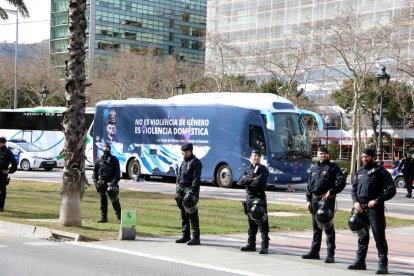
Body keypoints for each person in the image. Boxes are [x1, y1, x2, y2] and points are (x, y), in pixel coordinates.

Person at [348, 148, 396, 274]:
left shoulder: (381, 171)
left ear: (372, 157)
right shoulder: (360, 172)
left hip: (375, 209)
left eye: (366, 156)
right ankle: (360, 262)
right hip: (360, 208)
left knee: (378, 236)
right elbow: (353, 190)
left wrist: (377, 200)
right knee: (362, 235)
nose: (364, 158)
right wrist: (355, 202)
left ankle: (382, 265)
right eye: (363, 156)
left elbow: (391, 190)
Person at [302, 147, 346, 263]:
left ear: (328, 155)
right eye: (320, 154)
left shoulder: (333, 167)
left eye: (324, 154)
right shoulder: (314, 168)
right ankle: (314, 252)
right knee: (316, 228)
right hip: (314, 201)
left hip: (326, 201)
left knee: (328, 228)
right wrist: (308, 200)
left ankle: (330, 254)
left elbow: (342, 182)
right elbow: (309, 186)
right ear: (317, 154)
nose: (322, 156)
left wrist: (331, 192)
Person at [237, 150, 270, 254]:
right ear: (251, 157)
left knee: (262, 223)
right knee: (251, 223)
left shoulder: (263, 169)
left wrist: (248, 180)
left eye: (258, 156)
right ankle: (251, 244)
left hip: (259, 198)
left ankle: (265, 245)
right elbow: (240, 181)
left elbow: (259, 183)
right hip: (249, 199)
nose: (256, 158)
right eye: (254, 156)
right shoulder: (247, 169)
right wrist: (251, 179)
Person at [175, 143, 202, 245]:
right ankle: (185, 235)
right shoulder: (183, 162)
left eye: (185, 151)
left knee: (192, 215)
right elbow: (179, 176)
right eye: (183, 151)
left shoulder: (195, 163)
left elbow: (196, 180)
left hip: (190, 192)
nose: (184, 153)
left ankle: (196, 237)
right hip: (182, 191)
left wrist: (191, 192)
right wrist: (178, 186)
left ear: (190, 151)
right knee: (184, 215)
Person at [93, 143, 122, 224]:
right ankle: (104, 217)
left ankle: (119, 218)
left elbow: (117, 173)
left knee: (114, 200)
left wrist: (113, 183)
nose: (106, 151)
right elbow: (95, 172)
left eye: (107, 149)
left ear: (110, 150)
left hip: (111, 183)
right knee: (103, 200)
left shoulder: (114, 160)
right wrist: (95, 182)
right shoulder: (99, 160)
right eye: (104, 149)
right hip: (102, 183)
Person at [0, 137, 18, 212]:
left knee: (2, 190)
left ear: (3, 143)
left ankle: (1, 207)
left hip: (2, 174)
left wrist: (9, 171)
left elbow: (14, 163)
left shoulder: (7, 151)